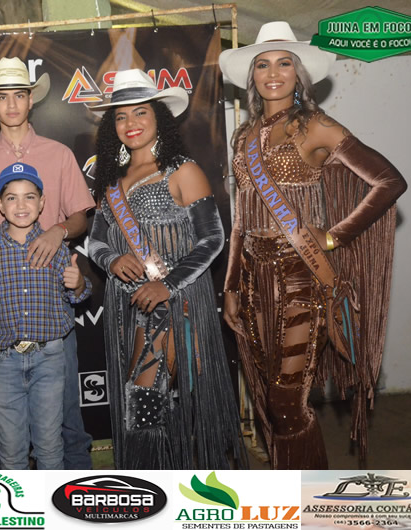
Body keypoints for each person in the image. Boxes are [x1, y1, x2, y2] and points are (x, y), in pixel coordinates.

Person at [218, 21, 407, 469]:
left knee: (286, 403)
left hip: (301, 273)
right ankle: (290, 492)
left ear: (299, 73)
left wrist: (335, 235)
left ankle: (309, 497)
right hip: (254, 278)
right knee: (270, 399)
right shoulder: (243, 136)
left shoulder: (317, 125)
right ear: (252, 76)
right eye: (263, 64)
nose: (273, 73)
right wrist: (230, 286)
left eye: (284, 63)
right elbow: (242, 219)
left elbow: (389, 181)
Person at [88, 69, 247, 470]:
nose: (131, 123)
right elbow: (95, 242)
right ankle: (162, 483)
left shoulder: (181, 170)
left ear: (159, 117)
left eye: (141, 112)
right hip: (130, 309)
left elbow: (213, 239)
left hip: (173, 307)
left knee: (144, 404)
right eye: (121, 116)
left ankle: (150, 489)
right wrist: (113, 259)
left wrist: (168, 285)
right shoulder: (111, 182)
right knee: (150, 406)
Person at [0, 57, 96, 469]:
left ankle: (70, 496)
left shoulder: (59, 154)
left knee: (65, 418)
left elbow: (80, 217)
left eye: (19, 95)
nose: (12, 104)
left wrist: (58, 230)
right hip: (3, 304)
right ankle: (16, 500)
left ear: (31, 99)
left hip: (50, 307)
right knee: (9, 433)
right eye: (3, 96)